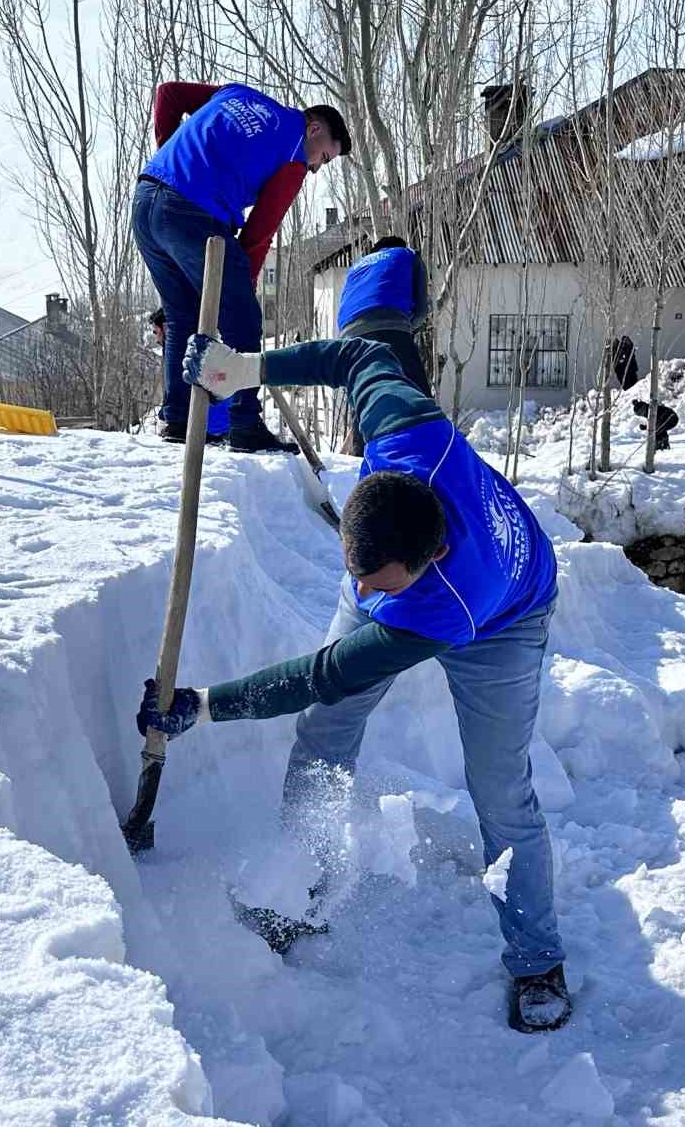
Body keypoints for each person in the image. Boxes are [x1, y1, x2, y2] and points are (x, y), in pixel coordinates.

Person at [137, 331, 571, 1034]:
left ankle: (537, 959)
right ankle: (299, 896)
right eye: (355, 576)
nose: (363, 594)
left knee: (500, 790)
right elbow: (359, 356)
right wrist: (244, 370)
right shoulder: (407, 431)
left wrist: (206, 706)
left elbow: (321, 674)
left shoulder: (441, 605)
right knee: (326, 732)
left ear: (429, 558)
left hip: (506, 617)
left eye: (377, 585)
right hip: (424, 566)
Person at [134, 81, 350, 452]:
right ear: (313, 128)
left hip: (147, 199)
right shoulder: (294, 156)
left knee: (181, 315)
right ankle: (245, 423)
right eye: (324, 158)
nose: (315, 168)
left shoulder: (238, 95)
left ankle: (178, 420)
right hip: (193, 214)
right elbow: (257, 236)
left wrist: (172, 158)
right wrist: (239, 297)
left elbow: (168, 94)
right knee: (245, 320)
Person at [335, 235, 432, 455]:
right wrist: (407, 329)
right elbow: (421, 311)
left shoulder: (356, 267)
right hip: (390, 324)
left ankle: (360, 456)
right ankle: (430, 450)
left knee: (362, 395)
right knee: (416, 388)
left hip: (349, 333)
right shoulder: (408, 255)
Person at [149, 307, 228, 443]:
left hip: (209, 424)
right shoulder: (198, 348)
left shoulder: (178, 354)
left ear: (167, 328)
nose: (156, 339)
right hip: (222, 423)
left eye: (156, 332)